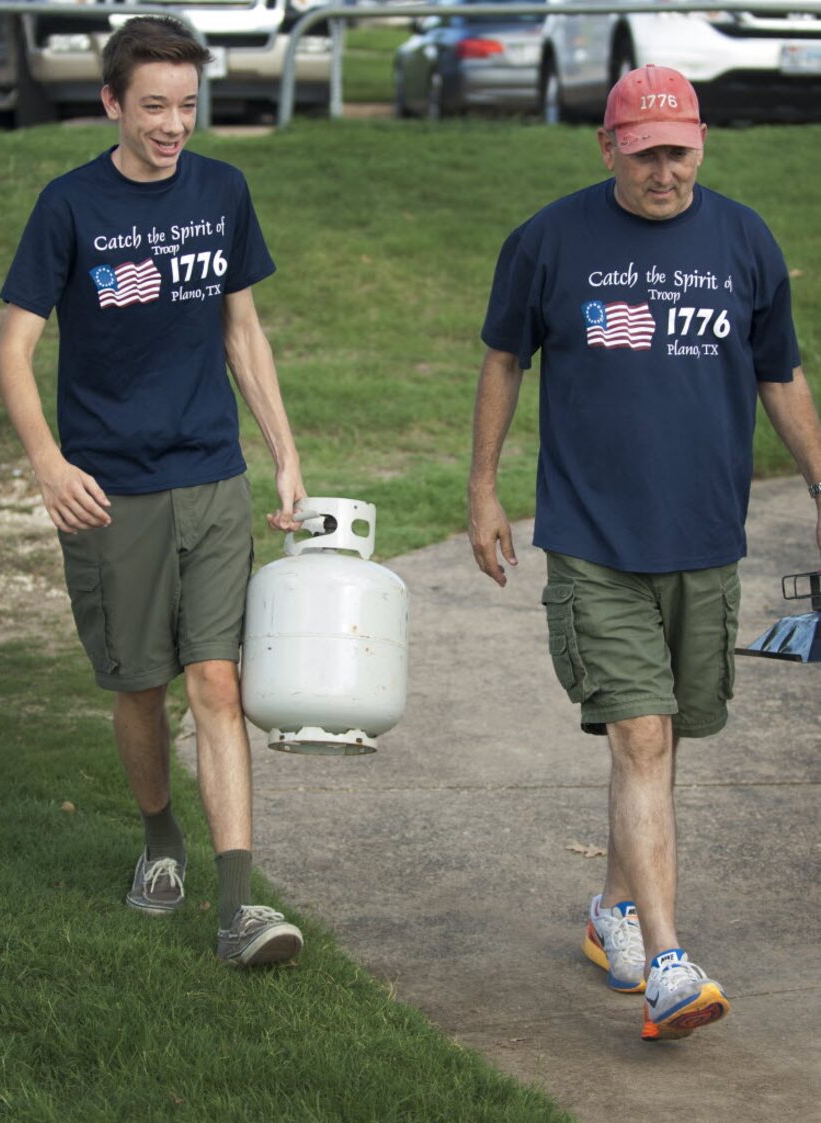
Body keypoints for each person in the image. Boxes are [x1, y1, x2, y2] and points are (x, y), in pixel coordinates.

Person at [468, 64, 821, 1041]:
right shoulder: (547, 241)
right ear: (607, 146)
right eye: (644, 151)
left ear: (700, 142)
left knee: (667, 740)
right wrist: (484, 490)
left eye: (679, 150)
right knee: (639, 736)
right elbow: (504, 359)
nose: (663, 170)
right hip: (591, 538)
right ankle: (667, 960)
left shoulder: (742, 239)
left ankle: (611, 908)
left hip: (703, 536)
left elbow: (778, 373)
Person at [0, 17, 307, 967]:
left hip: (212, 472)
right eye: (155, 107)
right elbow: (12, 346)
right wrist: (48, 463)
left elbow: (241, 331)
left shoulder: (222, 190)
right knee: (139, 686)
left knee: (217, 678)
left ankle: (238, 907)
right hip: (111, 490)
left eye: (187, 104)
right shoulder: (69, 206)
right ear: (112, 105)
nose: (174, 125)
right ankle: (160, 838)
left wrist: (284, 452)